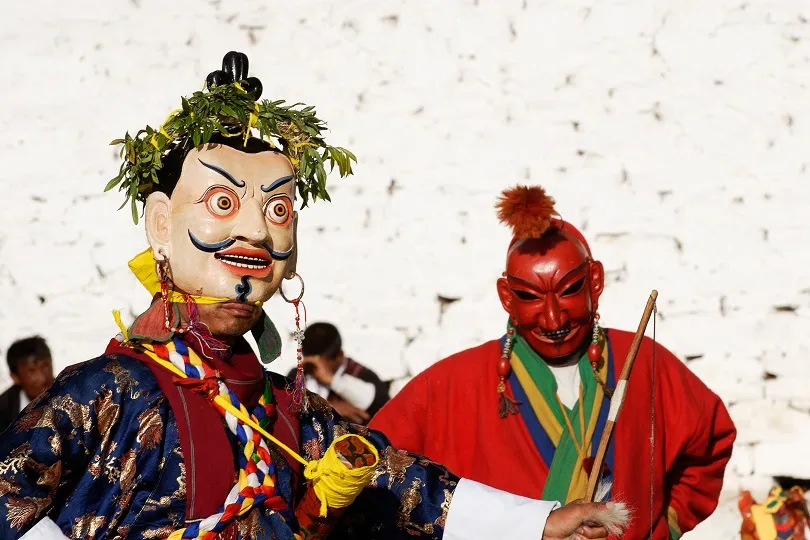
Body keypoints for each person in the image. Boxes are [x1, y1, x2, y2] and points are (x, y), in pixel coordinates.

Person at [0, 53, 622, 540]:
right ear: (162, 224)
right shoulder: (106, 394)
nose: (254, 231)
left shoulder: (290, 414)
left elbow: (404, 484)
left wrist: (538, 523)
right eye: (222, 204)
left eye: (277, 208)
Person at [370, 184, 738, 538]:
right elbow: (377, 467)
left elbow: (709, 442)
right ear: (506, 297)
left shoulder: (643, 362)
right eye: (530, 296)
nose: (553, 319)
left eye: (569, 291)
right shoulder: (453, 384)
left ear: (595, 281)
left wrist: (664, 525)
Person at [285, 322, 390, 424]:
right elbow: (285, 408)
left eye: (319, 361)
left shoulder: (362, 374)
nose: (314, 366)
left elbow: (380, 403)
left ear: (340, 356)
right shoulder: (296, 376)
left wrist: (332, 380)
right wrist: (326, 409)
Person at [0, 336, 54, 432]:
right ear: (15, 377)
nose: (43, 378)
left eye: (45, 366)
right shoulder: (3, 411)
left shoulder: (75, 394)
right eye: (32, 370)